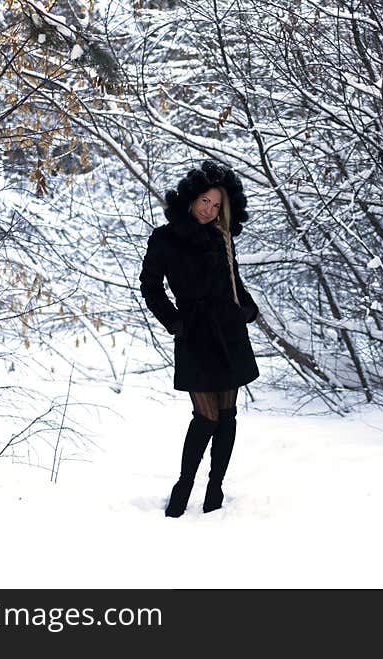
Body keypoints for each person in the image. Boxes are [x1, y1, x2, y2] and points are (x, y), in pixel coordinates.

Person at [139, 160, 260, 517]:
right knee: (205, 417)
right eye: (204, 201)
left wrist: (248, 310)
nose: (209, 210)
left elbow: (234, 282)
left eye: (217, 205)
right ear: (191, 199)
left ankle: (215, 490)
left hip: (229, 332)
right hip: (193, 333)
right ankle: (183, 487)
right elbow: (150, 287)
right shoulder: (165, 238)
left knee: (227, 416)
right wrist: (174, 323)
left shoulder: (223, 237)